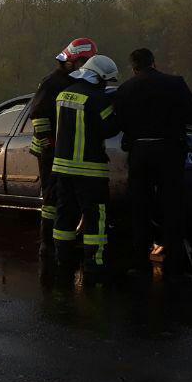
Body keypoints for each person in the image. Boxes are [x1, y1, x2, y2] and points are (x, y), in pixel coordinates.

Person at [113, 48, 192, 285]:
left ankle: (140, 265)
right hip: (170, 151)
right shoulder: (175, 83)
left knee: (139, 208)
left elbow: (118, 121)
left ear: (133, 67)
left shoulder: (125, 89)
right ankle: (176, 267)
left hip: (140, 152)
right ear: (154, 62)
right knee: (172, 206)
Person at [26, 37, 99, 278]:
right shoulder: (54, 81)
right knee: (51, 196)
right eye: (83, 61)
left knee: (62, 197)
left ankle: (58, 246)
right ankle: (46, 243)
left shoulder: (75, 81)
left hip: (65, 149)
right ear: (71, 60)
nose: (85, 65)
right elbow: (37, 113)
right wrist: (47, 140)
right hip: (50, 149)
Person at [51, 54, 122, 283]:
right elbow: (108, 129)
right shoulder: (98, 99)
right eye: (105, 81)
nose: (105, 85)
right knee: (95, 218)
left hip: (62, 167)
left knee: (64, 215)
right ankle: (94, 265)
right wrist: (119, 112)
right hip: (89, 170)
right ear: (99, 77)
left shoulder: (64, 94)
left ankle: (63, 262)